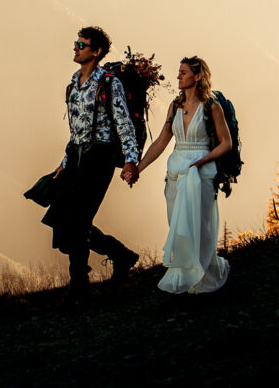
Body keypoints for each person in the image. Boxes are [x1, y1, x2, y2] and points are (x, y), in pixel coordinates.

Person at [42, 26, 141, 300]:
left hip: (100, 157)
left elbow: (124, 125)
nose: (76, 47)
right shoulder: (73, 85)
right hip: (76, 157)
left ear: (96, 52)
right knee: (64, 218)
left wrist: (131, 162)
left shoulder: (109, 83)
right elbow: (75, 131)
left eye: (82, 44)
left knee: (78, 219)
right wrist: (65, 160)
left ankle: (79, 288)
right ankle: (121, 254)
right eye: (76, 43)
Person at [128, 56, 230, 294]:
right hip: (175, 171)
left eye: (183, 72)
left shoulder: (211, 107)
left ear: (198, 76)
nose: (178, 77)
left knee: (200, 225)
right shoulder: (175, 106)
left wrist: (202, 161)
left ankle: (202, 279)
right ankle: (185, 275)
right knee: (178, 224)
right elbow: (162, 142)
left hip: (202, 170)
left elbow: (226, 143)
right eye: (179, 72)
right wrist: (137, 169)